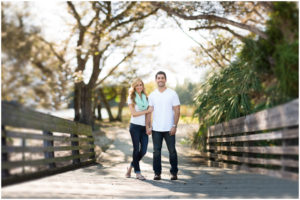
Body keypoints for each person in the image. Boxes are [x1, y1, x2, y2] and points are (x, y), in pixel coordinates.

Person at [146, 71, 180, 180]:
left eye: (162, 78)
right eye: (158, 78)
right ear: (156, 80)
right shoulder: (152, 95)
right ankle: (157, 173)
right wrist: (148, 126)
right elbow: (149, 112)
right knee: (156, 152)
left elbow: (177, 110)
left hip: (169, 128)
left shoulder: (172, 93)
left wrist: (174, 125)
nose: (160, 80)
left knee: (172, 151)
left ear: (165, 80)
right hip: (156, 129)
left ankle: (174, 173)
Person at [125, 78, 153, 180]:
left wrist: (148, 127)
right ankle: (138, 173)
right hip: (134, 127)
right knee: (136, 149)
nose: (139, 87)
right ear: (134, 87)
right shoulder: (131, 98)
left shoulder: (146, 97)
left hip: (143, 127)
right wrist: (147, 111)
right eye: (137, 85)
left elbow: (149, 114)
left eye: (141, 85)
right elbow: (134, 114)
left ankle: (131, 166)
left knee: (144, 150)